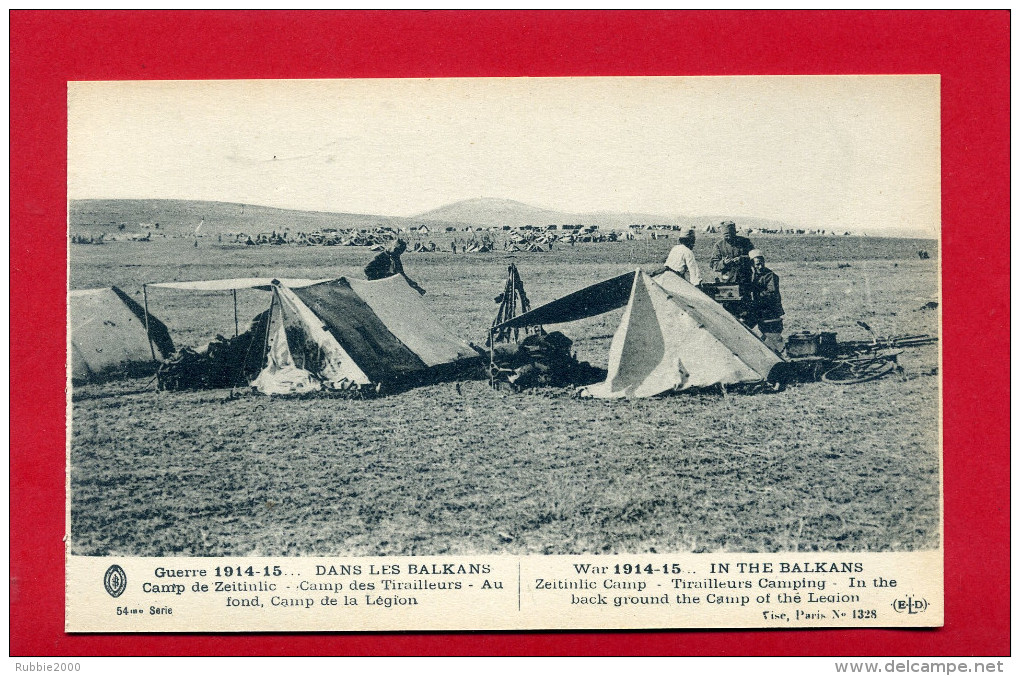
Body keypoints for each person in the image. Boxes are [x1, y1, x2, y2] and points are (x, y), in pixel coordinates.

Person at [746, 250, 785, 354]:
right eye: (757, 264)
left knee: (772, 338)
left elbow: (770, 294)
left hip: (771, 312)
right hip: (760, 310)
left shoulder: (771, 276)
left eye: (762, 263)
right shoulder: (753, 275)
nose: (760, 266)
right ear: (752, 265)